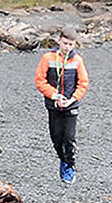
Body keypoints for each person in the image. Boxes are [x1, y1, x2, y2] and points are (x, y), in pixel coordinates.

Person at [34, 26, 89, 183]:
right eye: (65, 43)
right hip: (53, 104)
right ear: (59, 41)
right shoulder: (48, 58)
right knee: (56, 137)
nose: (67, 47)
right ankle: (63, 159)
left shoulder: (77, 60)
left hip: (71, 104)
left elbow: (83, 83)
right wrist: (54, 95)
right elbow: (40, 80)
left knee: (69, 137)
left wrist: (73, 99)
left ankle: (70, 167)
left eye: (71, 45)